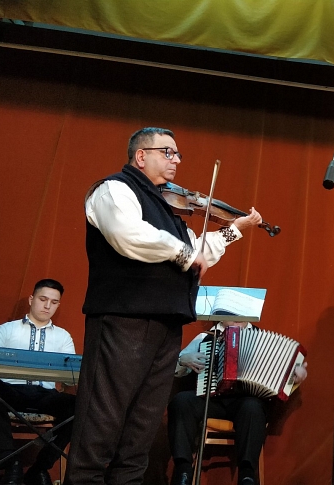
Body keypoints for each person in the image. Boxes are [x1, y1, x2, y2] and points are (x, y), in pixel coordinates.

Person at [65, 127, 264, 485]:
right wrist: (184, 253)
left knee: (141, 427)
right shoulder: (114, 189)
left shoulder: (168, 209)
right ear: (141, 156)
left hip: (166, 324)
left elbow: (197, 253)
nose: (176, 160)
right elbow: (129, 235)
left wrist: (235, 229)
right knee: (102, 419)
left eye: (177, 154)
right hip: (124, 319)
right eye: (167, 152)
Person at [167, 321, 307, 485]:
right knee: (181, 401)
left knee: (252, 407)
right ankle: (183, 471)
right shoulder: (205, 337)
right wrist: (182, 360)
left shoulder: (262, 340)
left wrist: (295, 378)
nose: (236, 316)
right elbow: (176, 370)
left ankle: (247, 475)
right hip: (210, 401)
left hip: (246, 404)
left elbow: (284, 378)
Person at [0, 279, 76, 485]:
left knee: (79, 406)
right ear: (32, 299)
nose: (47, 306)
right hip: (9, 392)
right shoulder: (6, 330)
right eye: (43, 299)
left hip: (45, 396)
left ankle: (40, 468)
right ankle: (10, 462)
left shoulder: (63, 337)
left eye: (54, 302)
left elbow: (69, 376)